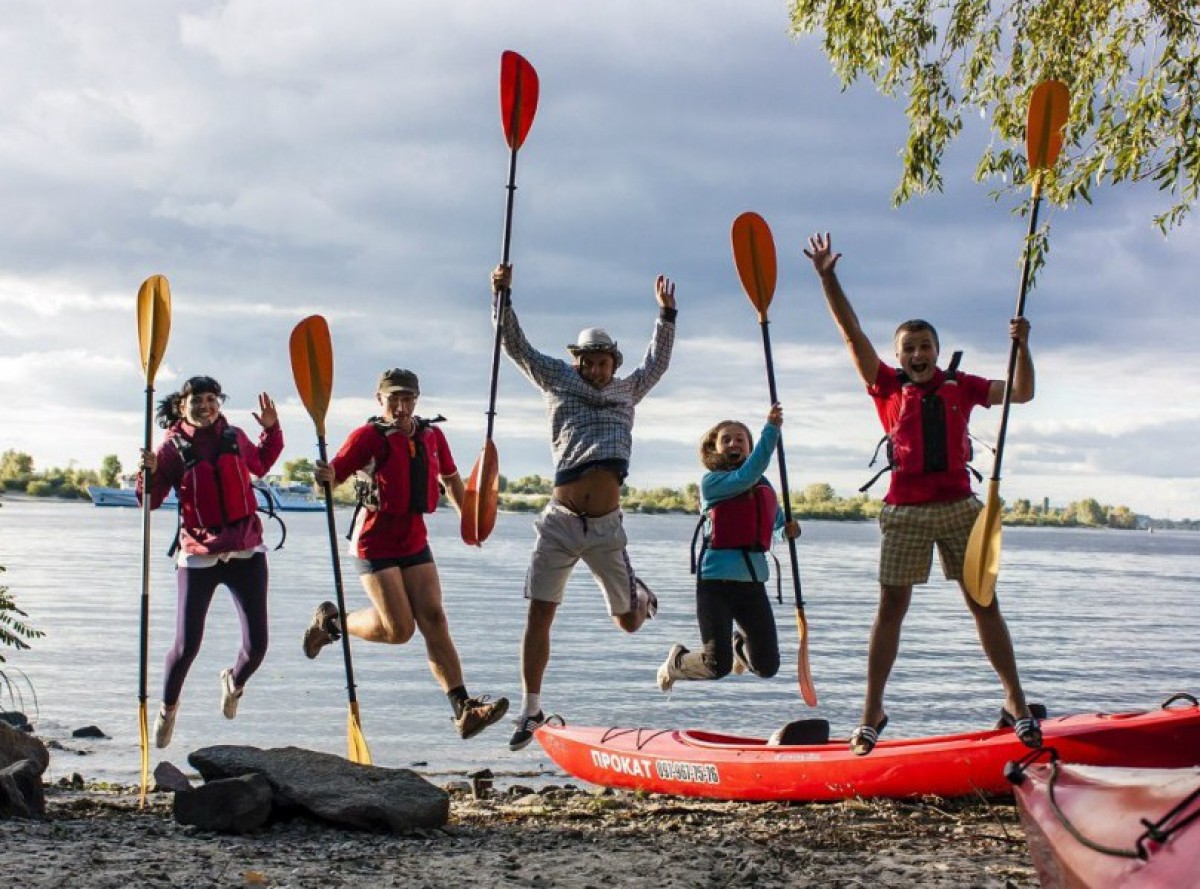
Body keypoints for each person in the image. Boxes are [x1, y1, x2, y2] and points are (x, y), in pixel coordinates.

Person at [803, 231, 1041, 755]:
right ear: (898, 355)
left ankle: (1016, 703)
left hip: (960, 509)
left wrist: (1022, 346)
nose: (917, 353)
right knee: (891, 608)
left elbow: (1021, 392)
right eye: (908, 347)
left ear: (936, 350)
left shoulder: (965, 385)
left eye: (924, 346)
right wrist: (828, 278)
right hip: (905, 511)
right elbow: (851, 334)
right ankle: (872, 711)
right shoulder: (886, 386)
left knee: (985, 603)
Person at [490, 263, 676, 751]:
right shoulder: (555, 378)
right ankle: (531, 710)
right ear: (578, 361)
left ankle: (638, 591)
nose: (596, 369)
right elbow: (517, 348)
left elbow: (656, 364)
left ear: (613, 363)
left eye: (604, 361)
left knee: (629, 623)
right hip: (561, 524)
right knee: (539, 614)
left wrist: (667, 314)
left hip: (607, 528)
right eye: (589, 361)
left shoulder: (627, 388)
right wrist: (502, 298)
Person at [303, 368, 509, 740]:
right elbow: (334, 478)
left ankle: (464, 708)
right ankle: (331, 624)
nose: (400, 406)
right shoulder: (367, 437)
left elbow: (450, 480)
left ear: (416, 400)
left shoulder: (432, 435)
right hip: (374, 541)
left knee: (434, 618)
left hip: (414, 538)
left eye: (407, 398)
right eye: (393, 398)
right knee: (399, 630)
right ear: (379, 399)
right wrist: (324, 476)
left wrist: (471, 522)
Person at [137, 375, 283, 749]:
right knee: (187, 646)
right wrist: (147, 473)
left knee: (258, 646)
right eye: (196, 400)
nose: (205, 405)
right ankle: (168, 709)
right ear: (181, 406)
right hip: (199, 554)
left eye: (211, 399)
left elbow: (263, 463)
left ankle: (234, 682)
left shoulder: (234, 436)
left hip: (246, 550)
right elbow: (149, 502)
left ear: (219, 402)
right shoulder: (170, 448)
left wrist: (271, 430)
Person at [657, 404, 801, 691]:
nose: (734, 443)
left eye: (740, 439)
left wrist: (788, 532)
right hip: (715, 585)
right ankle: (677, 663)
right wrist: (771, 430)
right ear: (715, 448)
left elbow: (776, 526)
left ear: (749, 448)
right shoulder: (713, 482)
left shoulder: (764, 486)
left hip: (752, 584)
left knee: (767, 667)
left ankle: (739, 646)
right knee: (716, 665)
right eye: (727, 440)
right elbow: (747, 475)